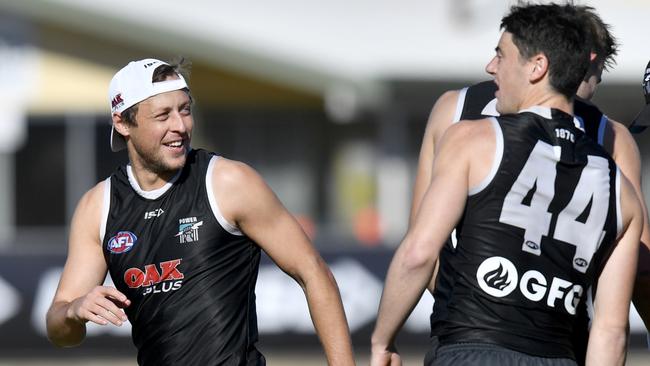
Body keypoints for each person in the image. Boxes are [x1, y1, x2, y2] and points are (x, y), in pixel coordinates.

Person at [371, 3, 641, 366]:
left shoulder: (462, 124)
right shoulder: (620, 179)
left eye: (500, 54)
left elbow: (420, 250)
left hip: (467, 340)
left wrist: (382, 340)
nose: (490, 65)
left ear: (538, 64)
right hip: (560, 350)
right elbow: (613, 327)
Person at [45, 58, 356, 366]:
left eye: (184, 110)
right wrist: (74, 310)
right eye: (163, 115)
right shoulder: (98, 206)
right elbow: (62, 332)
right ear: (123, 123)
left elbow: (314, 274)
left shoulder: (228, 182)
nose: (180, 126)